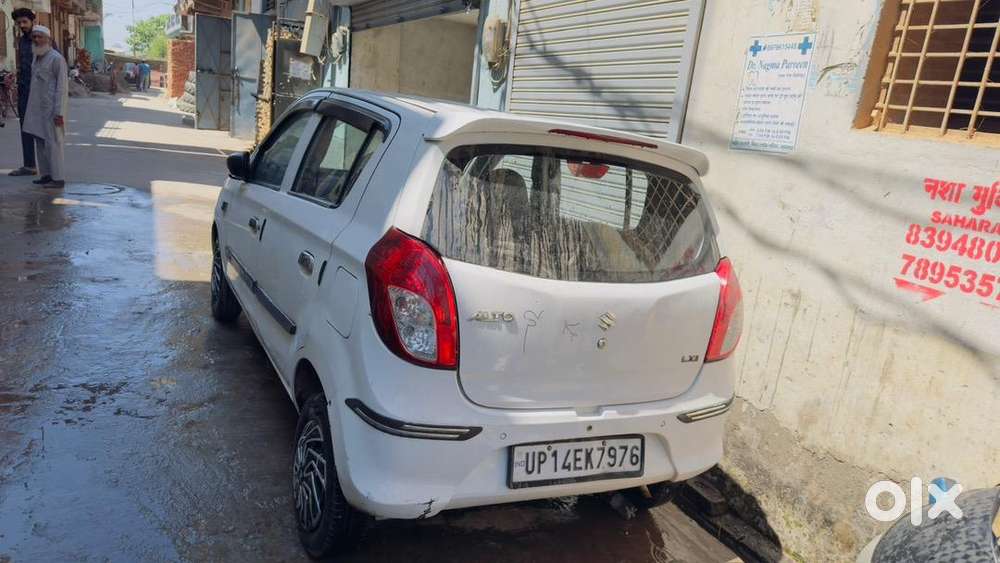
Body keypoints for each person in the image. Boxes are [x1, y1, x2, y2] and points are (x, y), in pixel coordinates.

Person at [22, 25, 68, 190]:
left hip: (52, 109)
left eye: (40, 36)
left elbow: (62, 88)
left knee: (54, 142)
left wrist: (59, 112)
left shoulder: (57, 59)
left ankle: (58, 178)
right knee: (40, 141)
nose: (36, 39)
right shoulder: (37, 57)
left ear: (48, 39)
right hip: (37, 109)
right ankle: (46, 175)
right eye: (34, 37)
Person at [8, 8, 38, 177]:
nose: (22, 25)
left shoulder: (41, 38)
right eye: (19, 23)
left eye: (25, 22)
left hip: (40, 91)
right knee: (25, 128)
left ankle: (51, 169)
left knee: (43, 131)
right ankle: (29, 165)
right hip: (24, 89)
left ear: (32, 21)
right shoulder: (22, 41)